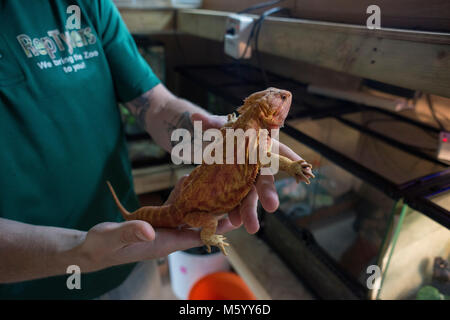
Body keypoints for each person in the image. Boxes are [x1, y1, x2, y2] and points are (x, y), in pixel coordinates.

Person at [0, 0, 304, 299]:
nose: (285, 98)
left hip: (131, 248)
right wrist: (81, 252)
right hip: (27, 281)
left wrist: (202, 135)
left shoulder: (86, 4)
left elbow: (155, 104)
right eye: (279, 98)